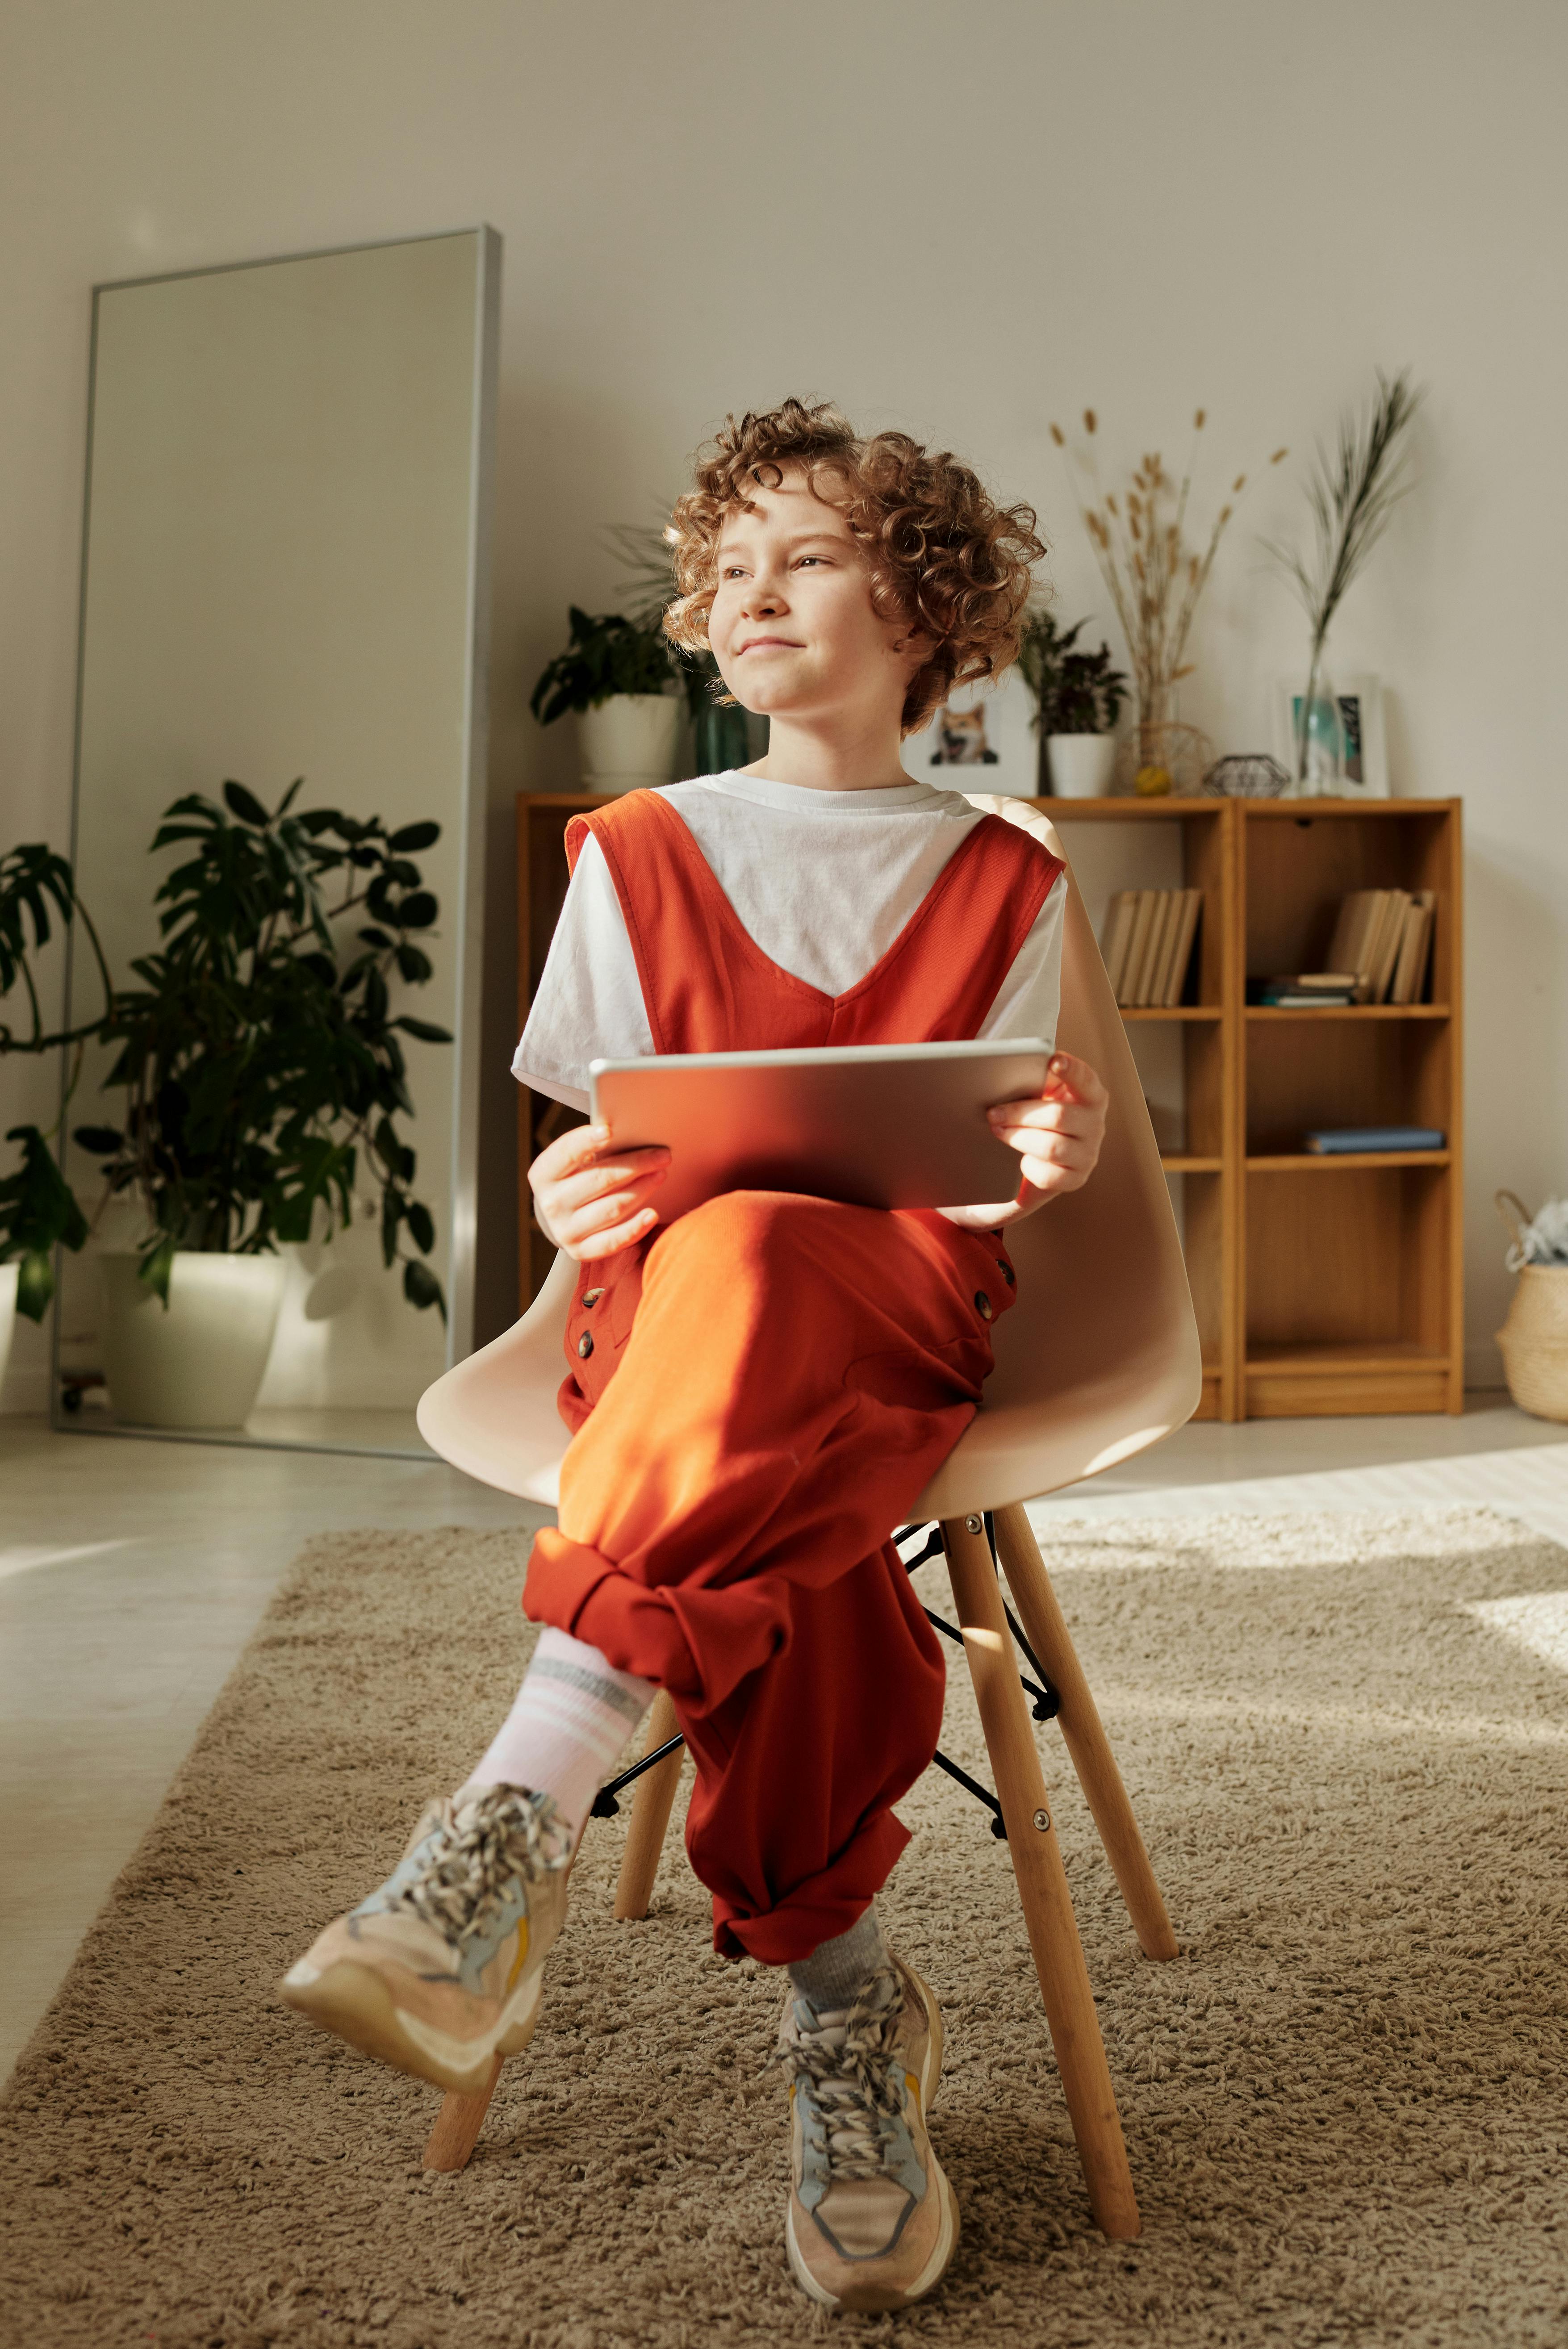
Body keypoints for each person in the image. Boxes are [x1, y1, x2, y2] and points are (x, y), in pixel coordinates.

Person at [280, 398, 1108, 2315]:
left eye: (802, 556)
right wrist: (572, 1207)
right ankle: (848, 2011)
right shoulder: (635, 848)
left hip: (902, 1308)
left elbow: (982, 1176)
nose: (749, 594)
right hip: (671, 1333)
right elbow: (595, 1150)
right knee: (753, 1351)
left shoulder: (1008, 875)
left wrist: (1037, 1165)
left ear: (923, 602)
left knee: (783, 1314)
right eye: (725, 568)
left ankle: (511, 1814)